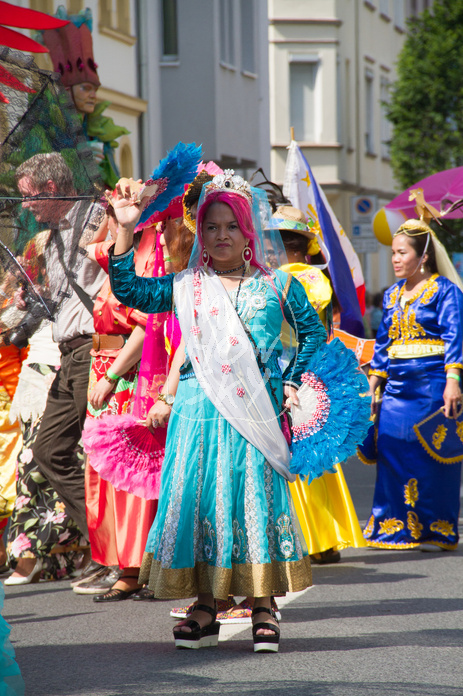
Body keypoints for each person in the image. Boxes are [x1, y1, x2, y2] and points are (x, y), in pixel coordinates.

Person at [108, 171, 327, 652]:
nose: (221, 235)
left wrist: (294, 380)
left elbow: (313, 335)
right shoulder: (187, 285)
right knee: (201, 503)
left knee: (252, 500)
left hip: (255, 414)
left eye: (231, 226)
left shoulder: (279, 288)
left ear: (248, 230)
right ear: (200, 233)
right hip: (196, 413)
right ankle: (204, 606)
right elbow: (131, 292)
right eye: (211, 227)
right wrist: (125, 228)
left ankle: (263, 605)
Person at [15, 153, 106, 583]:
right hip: (68, 353)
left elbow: (116, 271)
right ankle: (102, 541)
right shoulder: (49, 239)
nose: (25, 206)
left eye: (30, 197)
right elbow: (61, 302)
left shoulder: (94, 216)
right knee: (49, 450)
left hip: (96, 349)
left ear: (52, 190)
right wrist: (29, 302)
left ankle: (118, 555)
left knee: (103, 455)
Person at [365, 219, 463, 551]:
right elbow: (382, 347)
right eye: (392, 253)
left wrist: (453, 382)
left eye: (401, 253)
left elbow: (455, 338)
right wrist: (371, 386)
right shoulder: (391, 295)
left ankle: (437, 529)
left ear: (422, 256)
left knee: (433, 459)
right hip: (396, 390)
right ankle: (394, 527)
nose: (394, 259)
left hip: (432, 386)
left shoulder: (445, 291)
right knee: (392, 452)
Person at [5, 323, 86, 585]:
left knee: (70, 461)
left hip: (75, 356)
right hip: (38, 365)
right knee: (31, 464)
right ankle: (38, 555)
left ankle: (83, 551)